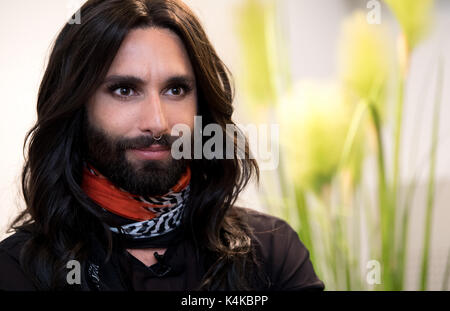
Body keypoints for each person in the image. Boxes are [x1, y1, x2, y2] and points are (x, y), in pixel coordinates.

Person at [0, 0, 324, 291]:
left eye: (176, 90)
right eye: (125, 90)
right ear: (78, 106)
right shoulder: (18, 270)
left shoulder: (271, 251)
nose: (157, 122)